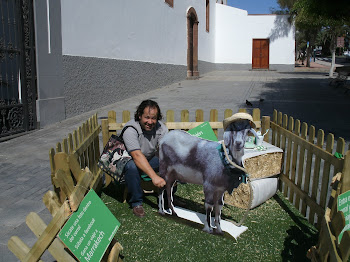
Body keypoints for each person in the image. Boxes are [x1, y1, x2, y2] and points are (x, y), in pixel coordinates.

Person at [122, 100, 168, 217]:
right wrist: (154, 177)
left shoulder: (161, 128)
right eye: (146, 117)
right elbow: (136, 156)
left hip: (148, 158)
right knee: (132, 166)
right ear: (139, 116)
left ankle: (168, 197)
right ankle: (136, 202)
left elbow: (167, 149)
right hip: (127, 161)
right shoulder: (131, 129)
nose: (150, 122)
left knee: (169, 160)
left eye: (153, 118)